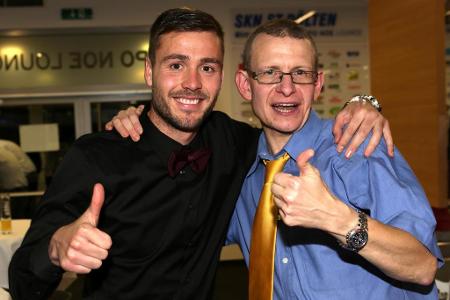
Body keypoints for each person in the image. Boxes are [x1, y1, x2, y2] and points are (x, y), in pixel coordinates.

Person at [9, 8, 391, 300]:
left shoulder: (235, 143)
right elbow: (22, 279)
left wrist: (363, 101)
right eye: (176, 65)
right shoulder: (94, 157)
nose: (192, 83)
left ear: (225, 76)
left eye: (207, 67)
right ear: (149, 72)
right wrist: (57, 248)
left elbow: (287, 117)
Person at [223, 19, 442, 299]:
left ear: (318, 84)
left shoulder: (358, 145)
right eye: (270, 72)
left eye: (300, 73)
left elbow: (422, 265)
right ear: (245, 84)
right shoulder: (243, 170)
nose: (287, 88)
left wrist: (338, 219)